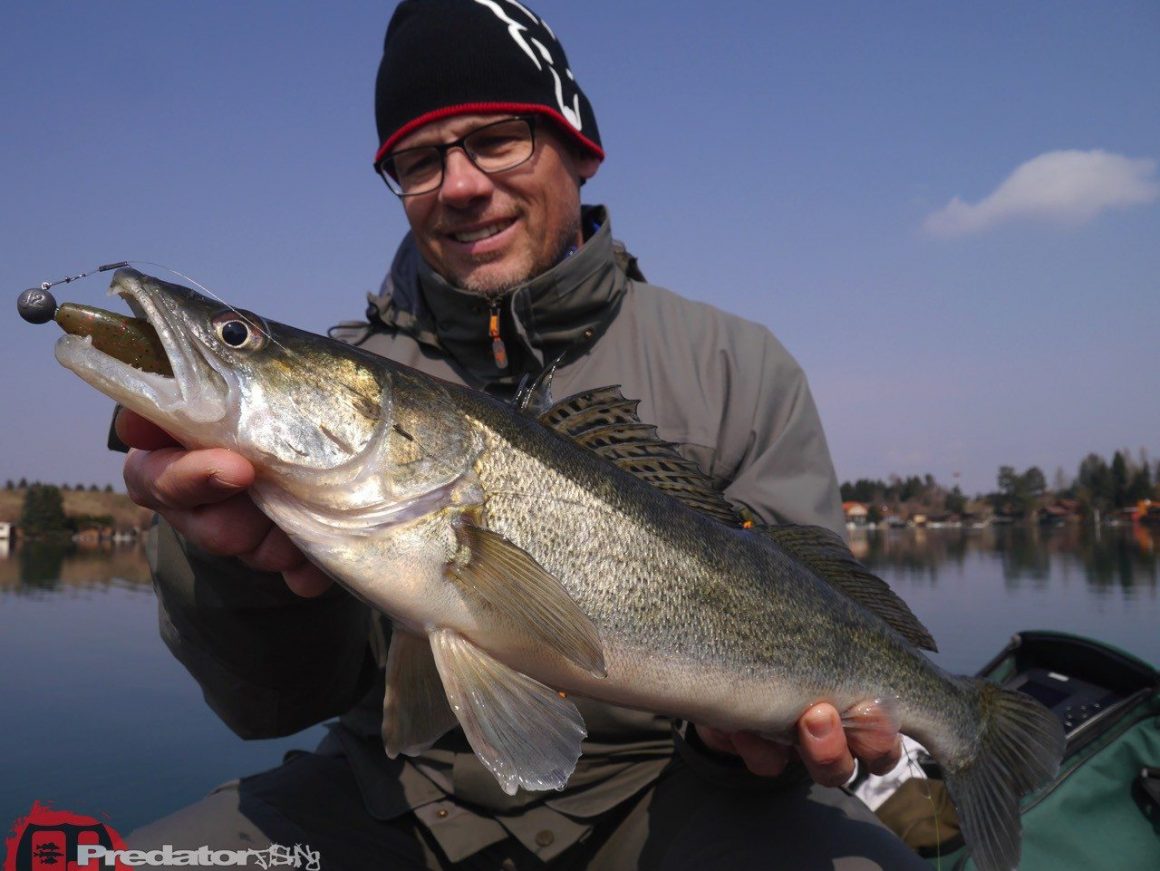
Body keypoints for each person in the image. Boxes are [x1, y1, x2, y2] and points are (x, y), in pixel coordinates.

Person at [120, 1, 927, 868]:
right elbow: (269, 703)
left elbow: (813, 607)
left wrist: (751, 743)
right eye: (420, 161)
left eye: (500, 138)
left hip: (679, 789)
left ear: (580, 147)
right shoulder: (345, 384)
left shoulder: (737, 365)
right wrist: (236, 565)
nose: (462, 184)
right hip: (389, 794)